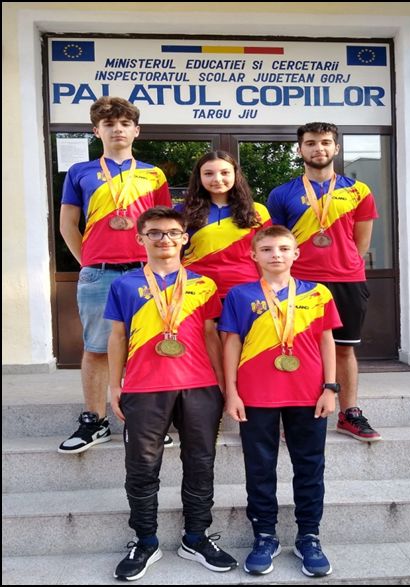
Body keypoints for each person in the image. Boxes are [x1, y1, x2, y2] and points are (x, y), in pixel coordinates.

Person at [104, 206, 238, 581]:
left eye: (172, 233)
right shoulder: (124, 285)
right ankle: (145, 541)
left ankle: (195, 538)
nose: (164, 239)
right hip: (144, 387)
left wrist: (223, 386)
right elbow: (116, 337)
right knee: (142, 467)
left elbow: (212, 335)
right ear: (140, 238)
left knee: (201, 464)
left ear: (184, 239)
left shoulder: (203, 284)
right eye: (155, 233)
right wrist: (115, 385)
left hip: (199, 386)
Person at [220, 225, 342, 578]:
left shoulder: (318, 293)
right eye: (268, 249)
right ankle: (264, 535)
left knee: (310, 466)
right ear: (253, 255)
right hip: (256, 394)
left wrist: (330, 388)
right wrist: (232, 392)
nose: (276, 255)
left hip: (308, 394)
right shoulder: (240, 295)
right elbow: (231, 343)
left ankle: (309, 536)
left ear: (296, 253)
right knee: (259, 467)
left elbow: (326, 340)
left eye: (284, 248)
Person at [58, 97, 173, 454]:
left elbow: (164, 227)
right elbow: (67, 224)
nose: (117, 129)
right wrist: (89, 263)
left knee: (146, 347)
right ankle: (95, 421)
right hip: (100, 274)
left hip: (145, 272)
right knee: (96, 349)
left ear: (136, 131)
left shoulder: (154, 174)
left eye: (124, 124)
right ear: (97, 131)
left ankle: (143, 419)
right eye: (109, 124)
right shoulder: (80, 171)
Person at [267, 122, 381, 442]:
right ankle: (299, 414)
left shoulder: (359, 191)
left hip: (346, 280)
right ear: (300, 149)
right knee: (297, 349)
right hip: (299, 281)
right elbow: (278, 242)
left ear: (336, 148)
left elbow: (361, 244)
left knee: (344, 349)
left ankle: (349, 413)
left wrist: (342, 264)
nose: (319, 148)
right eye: (311, 143)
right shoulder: (281, 194)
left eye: (326, 142)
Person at [176, 150, 271, 299]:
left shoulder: (258, 211)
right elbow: (174, 253)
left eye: (225, 173)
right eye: (208, 174)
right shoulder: (182, 211)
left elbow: (266, 254)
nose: (217, 179)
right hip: (195, 290)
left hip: (245, 291)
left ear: (236, 174)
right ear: (199, 177)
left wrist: (269, 288)